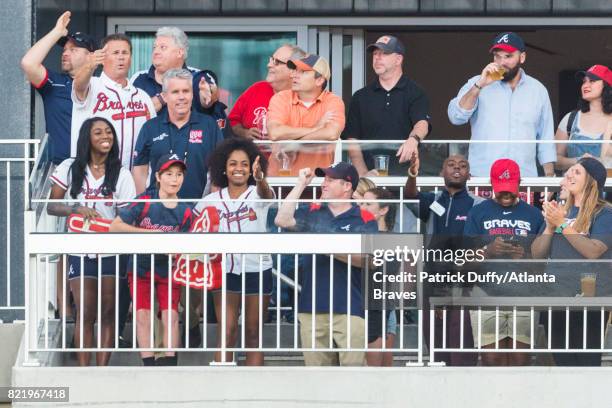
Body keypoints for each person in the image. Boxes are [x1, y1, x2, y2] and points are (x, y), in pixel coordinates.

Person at [47, 117, 136, 366]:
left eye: (108, 132)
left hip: (112, 250)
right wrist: (76, 208)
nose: (106, 136)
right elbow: (52, 206)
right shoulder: (69, 167)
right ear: (87, 138)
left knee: (108, 312)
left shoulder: (122, 173)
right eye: (98, 132)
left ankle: (101, 370)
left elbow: (127, 214)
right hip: (80, 248)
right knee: (85, 311)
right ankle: (84, 371)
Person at [275, 162, 378, 366]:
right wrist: (301, 184)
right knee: (316, 378)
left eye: (330, 180)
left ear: (347, 186)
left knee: (353, 373)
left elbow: (371, 260)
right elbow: (282, 219)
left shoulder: (364, 217)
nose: (324, 183)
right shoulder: (312, 211)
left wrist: (327, 246)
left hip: (349, 307)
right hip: (311, 307)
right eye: (324, 179)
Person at [194, 138, 274, 365]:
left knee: (253, 334)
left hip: (257, 268)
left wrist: (261, 179)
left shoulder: (258, 194)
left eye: (244, 164)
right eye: (232, 163)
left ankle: (251, 395)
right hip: (224, 270)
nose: (238, 168)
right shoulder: (209, 201)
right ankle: (223, 391)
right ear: (223, 167)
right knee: (226, 332)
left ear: (252, 169)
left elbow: (267, 194)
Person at [110, 154, 193, 366]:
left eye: (179, 174)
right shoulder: (146, 201)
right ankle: (148, 363)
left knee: (171, 316)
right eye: (169, 174)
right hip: (141, 266)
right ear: (158, 176)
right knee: (142, 315)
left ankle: (169, 362)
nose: (175, 179)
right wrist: (148, 236)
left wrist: (176, 250)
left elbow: (190, 245)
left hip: (170, 268)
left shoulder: (186, 209)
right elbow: (116, 226)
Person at [463, 158, 545, 366]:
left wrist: (524, 258)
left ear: (520, 183)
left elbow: (544, 264)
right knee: (492, 359)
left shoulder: (534, 215)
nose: (506, 194)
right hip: (485, 292)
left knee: (521, 359)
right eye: (501, 189)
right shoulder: (477, 213)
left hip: (524, 292)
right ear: (492, 184)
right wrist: (488, 251)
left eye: (511, 189)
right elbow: (464, 261)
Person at [532, 157, 611, 366]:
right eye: (569, 172)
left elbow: (594, 250)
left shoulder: (604, 212)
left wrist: (561, 225)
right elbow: (536, 254)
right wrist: (550, 226)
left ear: (591, 181)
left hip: (589, 302)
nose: (569, 175)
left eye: (577, 172)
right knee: (561, 364)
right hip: (556, 297)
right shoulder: (560, 211)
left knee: (586, 364)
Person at [404, 151, 481, 366]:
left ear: (469, 175)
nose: (457, 168)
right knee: (436, 344)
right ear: (442, 172)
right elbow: (410, 195)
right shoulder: (433, 200)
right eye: (451, 164)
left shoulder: (478, 204)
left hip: (466, 280)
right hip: (434, 279)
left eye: (463, 165)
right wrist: (413, 173)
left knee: (462, 343)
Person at [448, 32, 556, 178]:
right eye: (497, 56)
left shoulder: (538, 90)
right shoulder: (477, 82)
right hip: (483, 177)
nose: (501, 62)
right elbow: (456, 117)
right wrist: (479, 85)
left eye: (508, 56)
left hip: (523, 179)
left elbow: (546, 138)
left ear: (522, 57)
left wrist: (549, 177)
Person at [342, 35, 430, 176]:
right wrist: (364, 175)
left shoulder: (415, 92)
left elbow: (422, 124)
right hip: (370, 179)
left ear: (398, 59)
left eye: (384, 53)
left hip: (404, 179)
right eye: (375, 54)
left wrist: (413, 140)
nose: (377, 58)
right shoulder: (360, 96)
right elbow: (352, 140)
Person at [132, 68, 224, 198]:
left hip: (197, 211)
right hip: (157, 212)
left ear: (192, 94)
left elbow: (217, 170)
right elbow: (140, 170)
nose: (181, 97)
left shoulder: (209, 125)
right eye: (175, 92)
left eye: (186, 91)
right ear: (164, 96)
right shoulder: (150, 127)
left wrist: (214, 207)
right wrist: (142, 207)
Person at [20, 11, 95, 165]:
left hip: (93, 170)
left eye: (73, 50)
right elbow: (28, 63)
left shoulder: (102, 85)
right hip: (58, 169)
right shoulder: (54, 83)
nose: (65, 54)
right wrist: (57, 32)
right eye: (64, 50)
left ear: (90, 56)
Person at [72, 33, 156, 170]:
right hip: (93, 181)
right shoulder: (92, 85)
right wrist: (89, 66)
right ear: (103, 59)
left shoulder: (142, 97)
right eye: (115, 53)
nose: (121, 57)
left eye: (125, 53)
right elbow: (79, 86)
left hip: (135, 182)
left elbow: (152, 138)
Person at [129, 27, 227, 132]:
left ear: (180, 52)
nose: (156, 51)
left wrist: (207, 99)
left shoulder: (197, 76)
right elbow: (130, 117)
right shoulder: (139, 78)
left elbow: (210, 95)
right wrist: (162, 99)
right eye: (154, 47)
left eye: (163, 47)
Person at [266, 54, 345, 176]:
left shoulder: (333, 101)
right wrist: (316, 128)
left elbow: (331, 133)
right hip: (280, 181)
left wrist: (291, 145)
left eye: (302, 72)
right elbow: (275, 133)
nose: (294, 75)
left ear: (319, 80)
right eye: (295, 70)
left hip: (317, 183)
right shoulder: (280, 98)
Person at [228, 44, 306, 140]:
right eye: (271, 60)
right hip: (253, 154)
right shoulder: (256, 89)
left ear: (293, 70)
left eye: (276, 62)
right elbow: (231, 122)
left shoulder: (304, 98)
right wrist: (244, 133)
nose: (269, 65)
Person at [359, 187, 399, 366]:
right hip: (360, 305)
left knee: (376, 367)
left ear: (383, 210)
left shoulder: (389, 240)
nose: (361, 206)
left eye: (368, 203)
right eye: (361, 202)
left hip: (375, 306)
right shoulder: (362, 235)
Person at [555, 65, 612, 171]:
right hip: (574, 186)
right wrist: (578, 160)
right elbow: (554, 160)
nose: (585, 85)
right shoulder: (570, 119)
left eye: (592, 81)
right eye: (584, 81)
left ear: (606, 85)